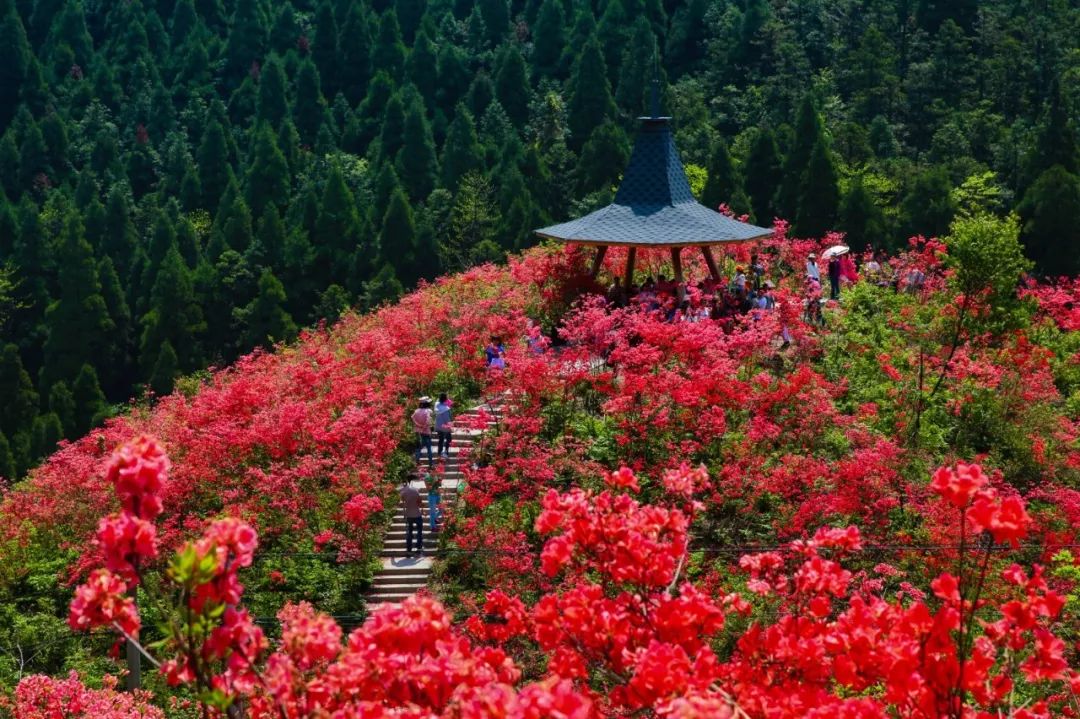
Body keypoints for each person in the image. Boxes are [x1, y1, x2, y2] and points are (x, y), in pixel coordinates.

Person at [399, 477, 423, 558]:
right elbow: (420, 502)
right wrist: (423, 509)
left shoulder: (403, 491)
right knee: (419, 532)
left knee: (409, 533)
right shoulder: (416, 490)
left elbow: (402, 501)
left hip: (409, 515)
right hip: (417, 514)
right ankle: (418, 549)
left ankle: (409, 551)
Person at [411, 396, 434, 468]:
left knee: (419, 447)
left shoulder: (416, 411)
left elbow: (412, 417)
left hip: (418, 431)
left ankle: (417, 462)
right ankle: (430, 464)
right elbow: (428, 420)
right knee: (429, 448)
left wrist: (418, 425)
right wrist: (424, 426)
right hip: (426, 431)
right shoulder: (428, 411)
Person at [434, 393, 452, 459]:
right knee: (449, 439)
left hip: (438, 425)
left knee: (441, 439)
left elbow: (437, 401)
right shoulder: (446, 409)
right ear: (446, 399)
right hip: (445, 427)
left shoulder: (437, 406)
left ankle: (439, 453)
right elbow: (447, 419)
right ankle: (446, 452)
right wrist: (450, 427)